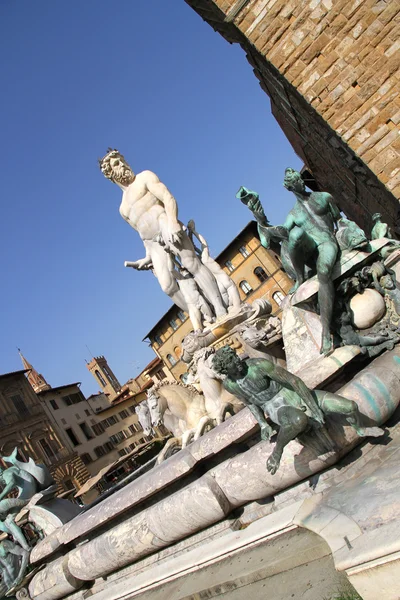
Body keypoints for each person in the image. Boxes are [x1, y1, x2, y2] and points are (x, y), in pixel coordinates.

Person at [99, 149, 227, 326]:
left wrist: (173, 222)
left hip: (165, 222)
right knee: (167, 286)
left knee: (192, 264)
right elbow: (142, 234)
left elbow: (167, 197)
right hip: (152, 243)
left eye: (122, 160)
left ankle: (220, 308)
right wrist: (147, 257)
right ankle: (205, 317)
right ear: (110, 173)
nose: (123, 164)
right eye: (117, 163)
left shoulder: (144, 177)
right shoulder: (123, 209)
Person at [212, 346, 384, 474]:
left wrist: (313, 406)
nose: (238, 362)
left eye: (236, 358)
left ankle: (361, 429)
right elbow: (250, 402)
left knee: (350, 406)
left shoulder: (258, 366)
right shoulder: (229, 385)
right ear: (226, 371)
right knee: (298, 421)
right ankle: (277, 452)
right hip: (278, 406)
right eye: (233, 363)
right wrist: (263, 424)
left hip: (298, 394)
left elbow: (294, 381)